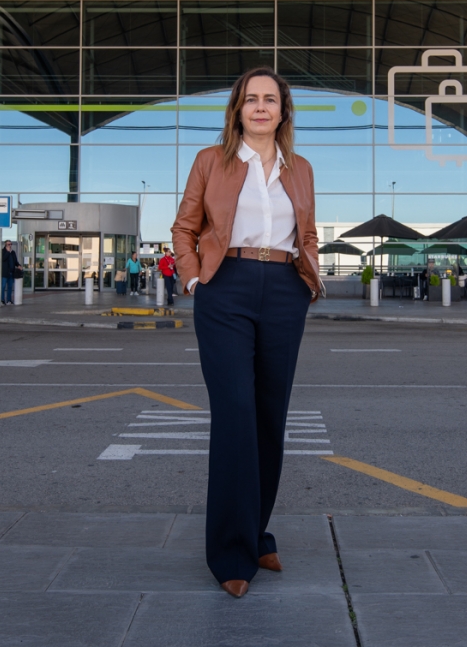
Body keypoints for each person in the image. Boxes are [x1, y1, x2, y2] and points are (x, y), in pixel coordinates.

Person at [171, 67, 322, 599]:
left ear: (283, 111)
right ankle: (231, 554)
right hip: (226, 285)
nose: (261, 107)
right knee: (236, 413)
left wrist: (309, 281)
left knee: (269, 417)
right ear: (237, 109)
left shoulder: (299, 168)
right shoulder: (210, 161)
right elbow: (184, 227)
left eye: (270, 100)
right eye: (251, 99)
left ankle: (257, 535)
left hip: (284, 287)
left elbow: (307, 233)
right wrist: (194, 279)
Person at [0, 240, 20, 305]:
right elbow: (3, 259)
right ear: (5, 245)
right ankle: (2, 300)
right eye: (8, 244)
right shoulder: (3, 251)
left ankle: (9, 300)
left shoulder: (13, 252)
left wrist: (18, 265)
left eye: (11, 244)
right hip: (5, 272)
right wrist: (8, 252)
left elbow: (15, 261)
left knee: (10, 287)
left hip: (11, 272)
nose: (10, 245)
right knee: (3, 286)